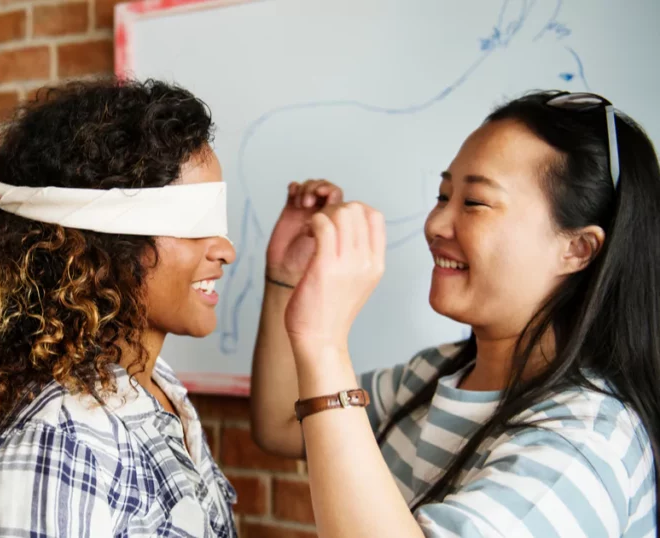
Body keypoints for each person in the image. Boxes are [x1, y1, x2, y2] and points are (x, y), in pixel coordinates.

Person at [251, 90, 658, 537]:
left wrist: (325, 342)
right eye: (443, 196)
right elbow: (280, 426)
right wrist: (285, 278)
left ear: (577, 249)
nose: (435, 224)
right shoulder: (432, 374)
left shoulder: (585, 446)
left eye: (474, 202)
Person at [0, 78, 239, 537]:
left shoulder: (160, 389)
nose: (225, 249)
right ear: (107, 242)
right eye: (194, 222)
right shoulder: (61, 442)